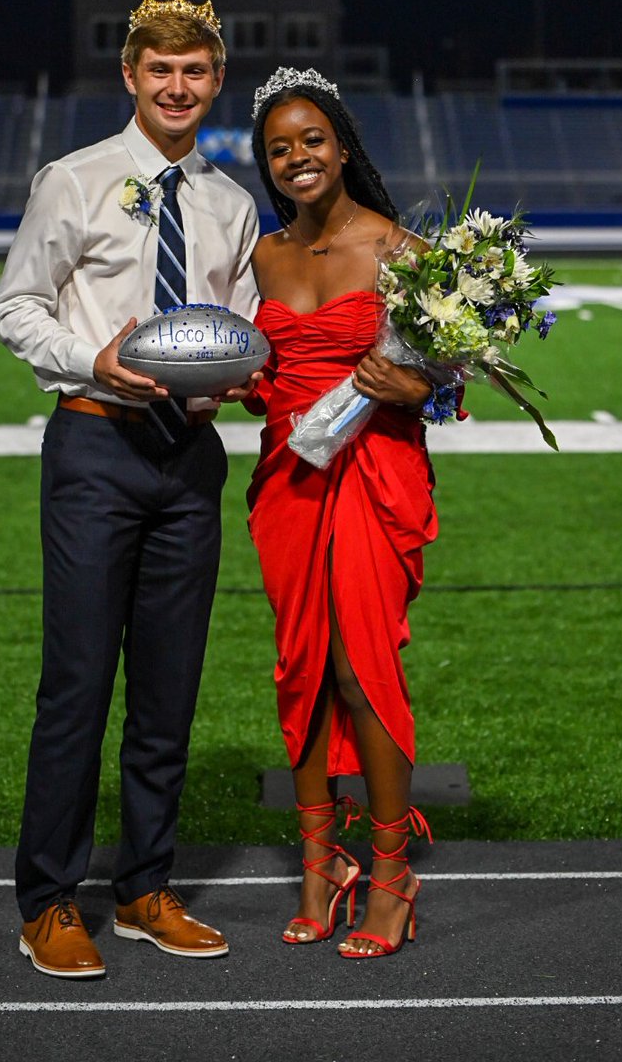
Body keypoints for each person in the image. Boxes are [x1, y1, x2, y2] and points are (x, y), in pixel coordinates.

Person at [0, 0, 260, 978]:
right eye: (161, 70)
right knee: (75, 686)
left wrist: (240, 380)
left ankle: (146, 887)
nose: (177, 87)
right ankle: (48, 901)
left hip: (188, 460)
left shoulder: (230, 204)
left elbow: (240, 334)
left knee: (167, 688)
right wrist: (93, 360)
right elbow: (15, 309)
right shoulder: (75, 181)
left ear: (215, 79)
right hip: (96, 447)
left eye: (194, 71)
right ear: (131, 76)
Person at [245, 67, 435, 959]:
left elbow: (448, 377)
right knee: (304, 672)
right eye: (279, 148)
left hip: (372, 472)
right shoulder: (264, 255)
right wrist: (248, 386)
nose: (296, 158)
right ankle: (323, 868)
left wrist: (426, 382)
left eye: (310, 140)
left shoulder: (400, 248)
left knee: (361, 668)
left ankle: (391, 877)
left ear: (342, 143)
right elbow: (261, 370)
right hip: (287, 477)